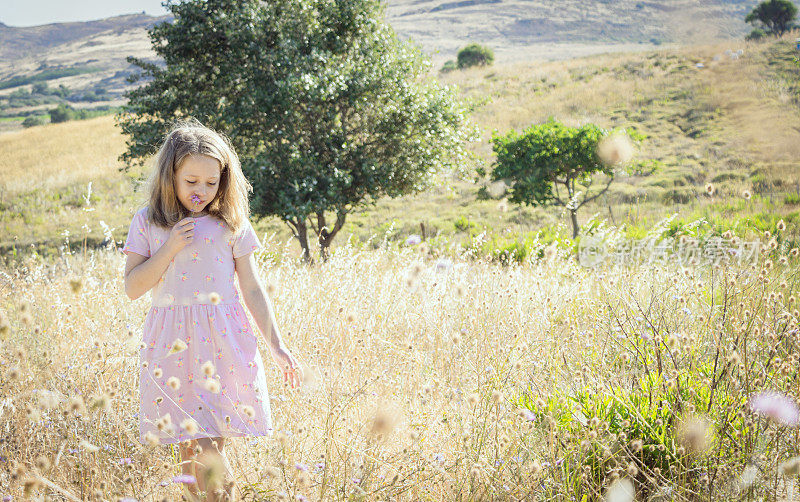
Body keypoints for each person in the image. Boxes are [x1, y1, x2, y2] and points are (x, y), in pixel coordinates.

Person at [122, 118, 303, 500]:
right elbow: (133, 287)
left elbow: (252, 288)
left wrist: (277, 345)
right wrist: (170, 247)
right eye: (191, 182)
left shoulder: (230, 224)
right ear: (170, 175)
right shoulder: (149, 223)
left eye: (211, 182)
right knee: (190, 458)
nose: (201, 191)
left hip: (222, 344)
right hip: (172, 347)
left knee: (210, 450)